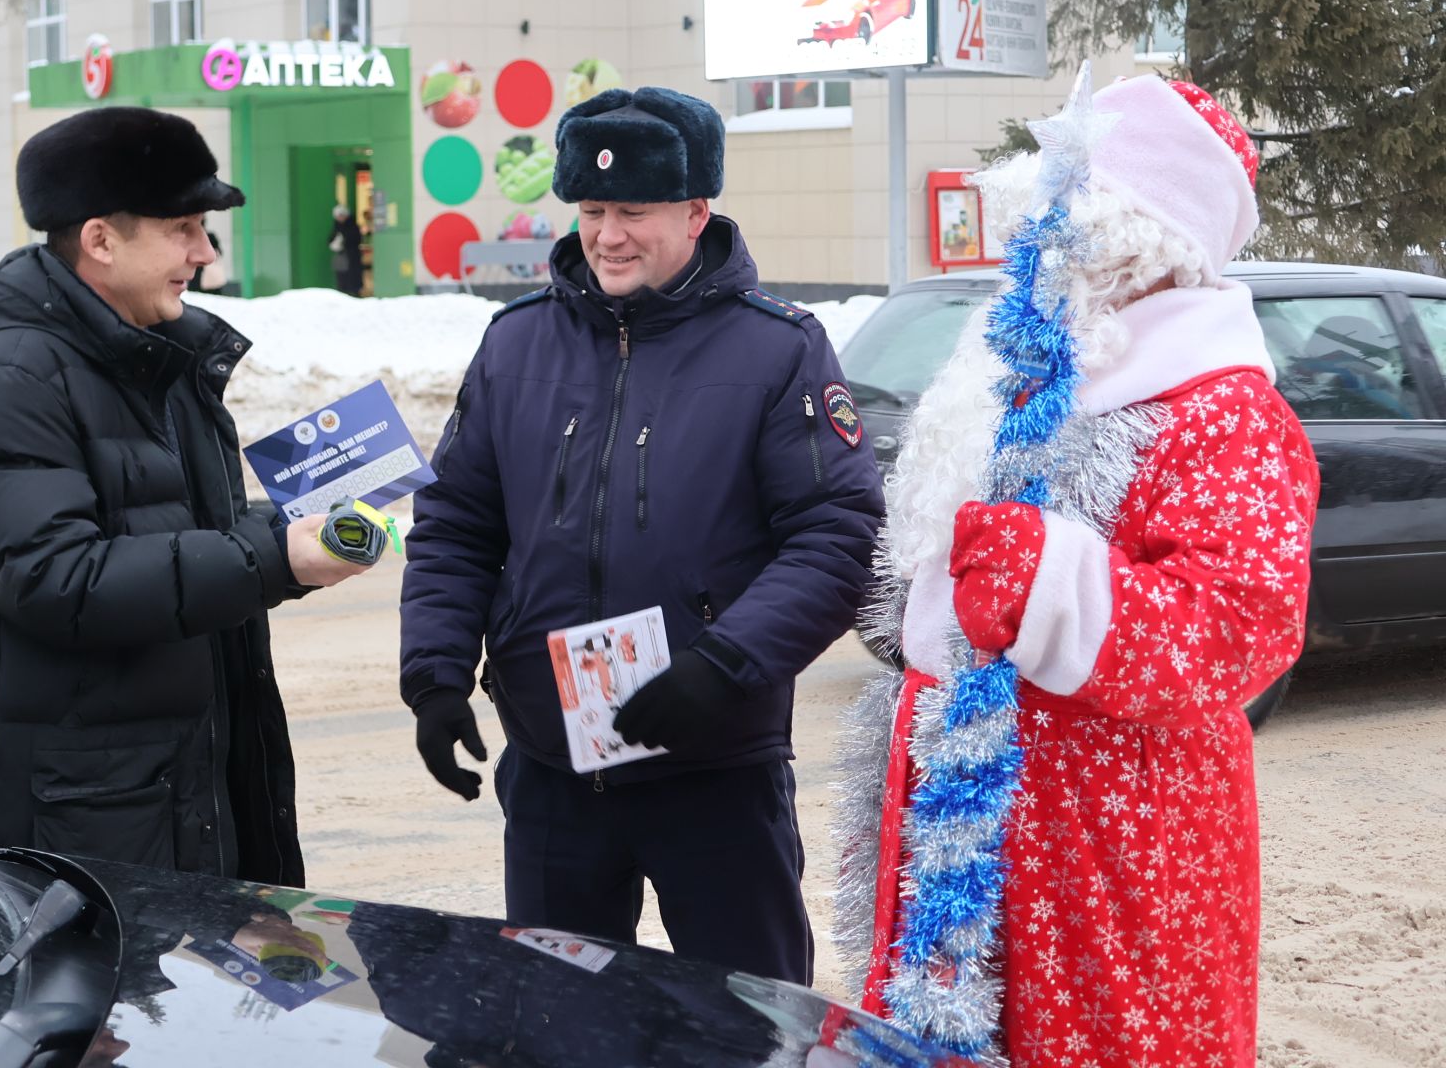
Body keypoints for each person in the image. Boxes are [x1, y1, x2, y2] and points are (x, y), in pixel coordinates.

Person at [825, 75, 1319, 1067]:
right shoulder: (1022, 375)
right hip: (970, 823)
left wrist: (1050, 579)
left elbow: (1237, 629)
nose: (1041, 243)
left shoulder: (1224, 410)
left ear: (1149, 237)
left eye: (1069, 218)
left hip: (1119, 849)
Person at [399, 86, 885, 986]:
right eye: (591, 210)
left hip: (716, 769)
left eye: (634, 211)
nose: (608, 234)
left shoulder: (778, 351)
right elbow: (456, 525)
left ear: (697, 212)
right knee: (555, 1026)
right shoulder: (515, 347)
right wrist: (433, 675)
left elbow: (835, 534)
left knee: (750, 1022)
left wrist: (725, 664)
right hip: (553, 770)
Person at [0, 106, 374, 884]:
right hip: (77, 823)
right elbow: (58, 578)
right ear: (100, 240)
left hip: (154, 788)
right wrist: (270, 557)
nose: (204, 252)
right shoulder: (11, 376)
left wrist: (291, 530)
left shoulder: (149, 348)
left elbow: (171, 529)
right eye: (184, 227)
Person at [328, 203, 363, 296]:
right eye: (338, 216)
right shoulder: (336, 226)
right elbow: (330, 239)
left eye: (342, 215)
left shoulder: (353, 226)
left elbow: (357, 239)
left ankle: (355, 293)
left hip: (352, 255)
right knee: (341, 278)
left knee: (353, 277)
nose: (340, 218)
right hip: (340, 256)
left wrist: (344, 241)